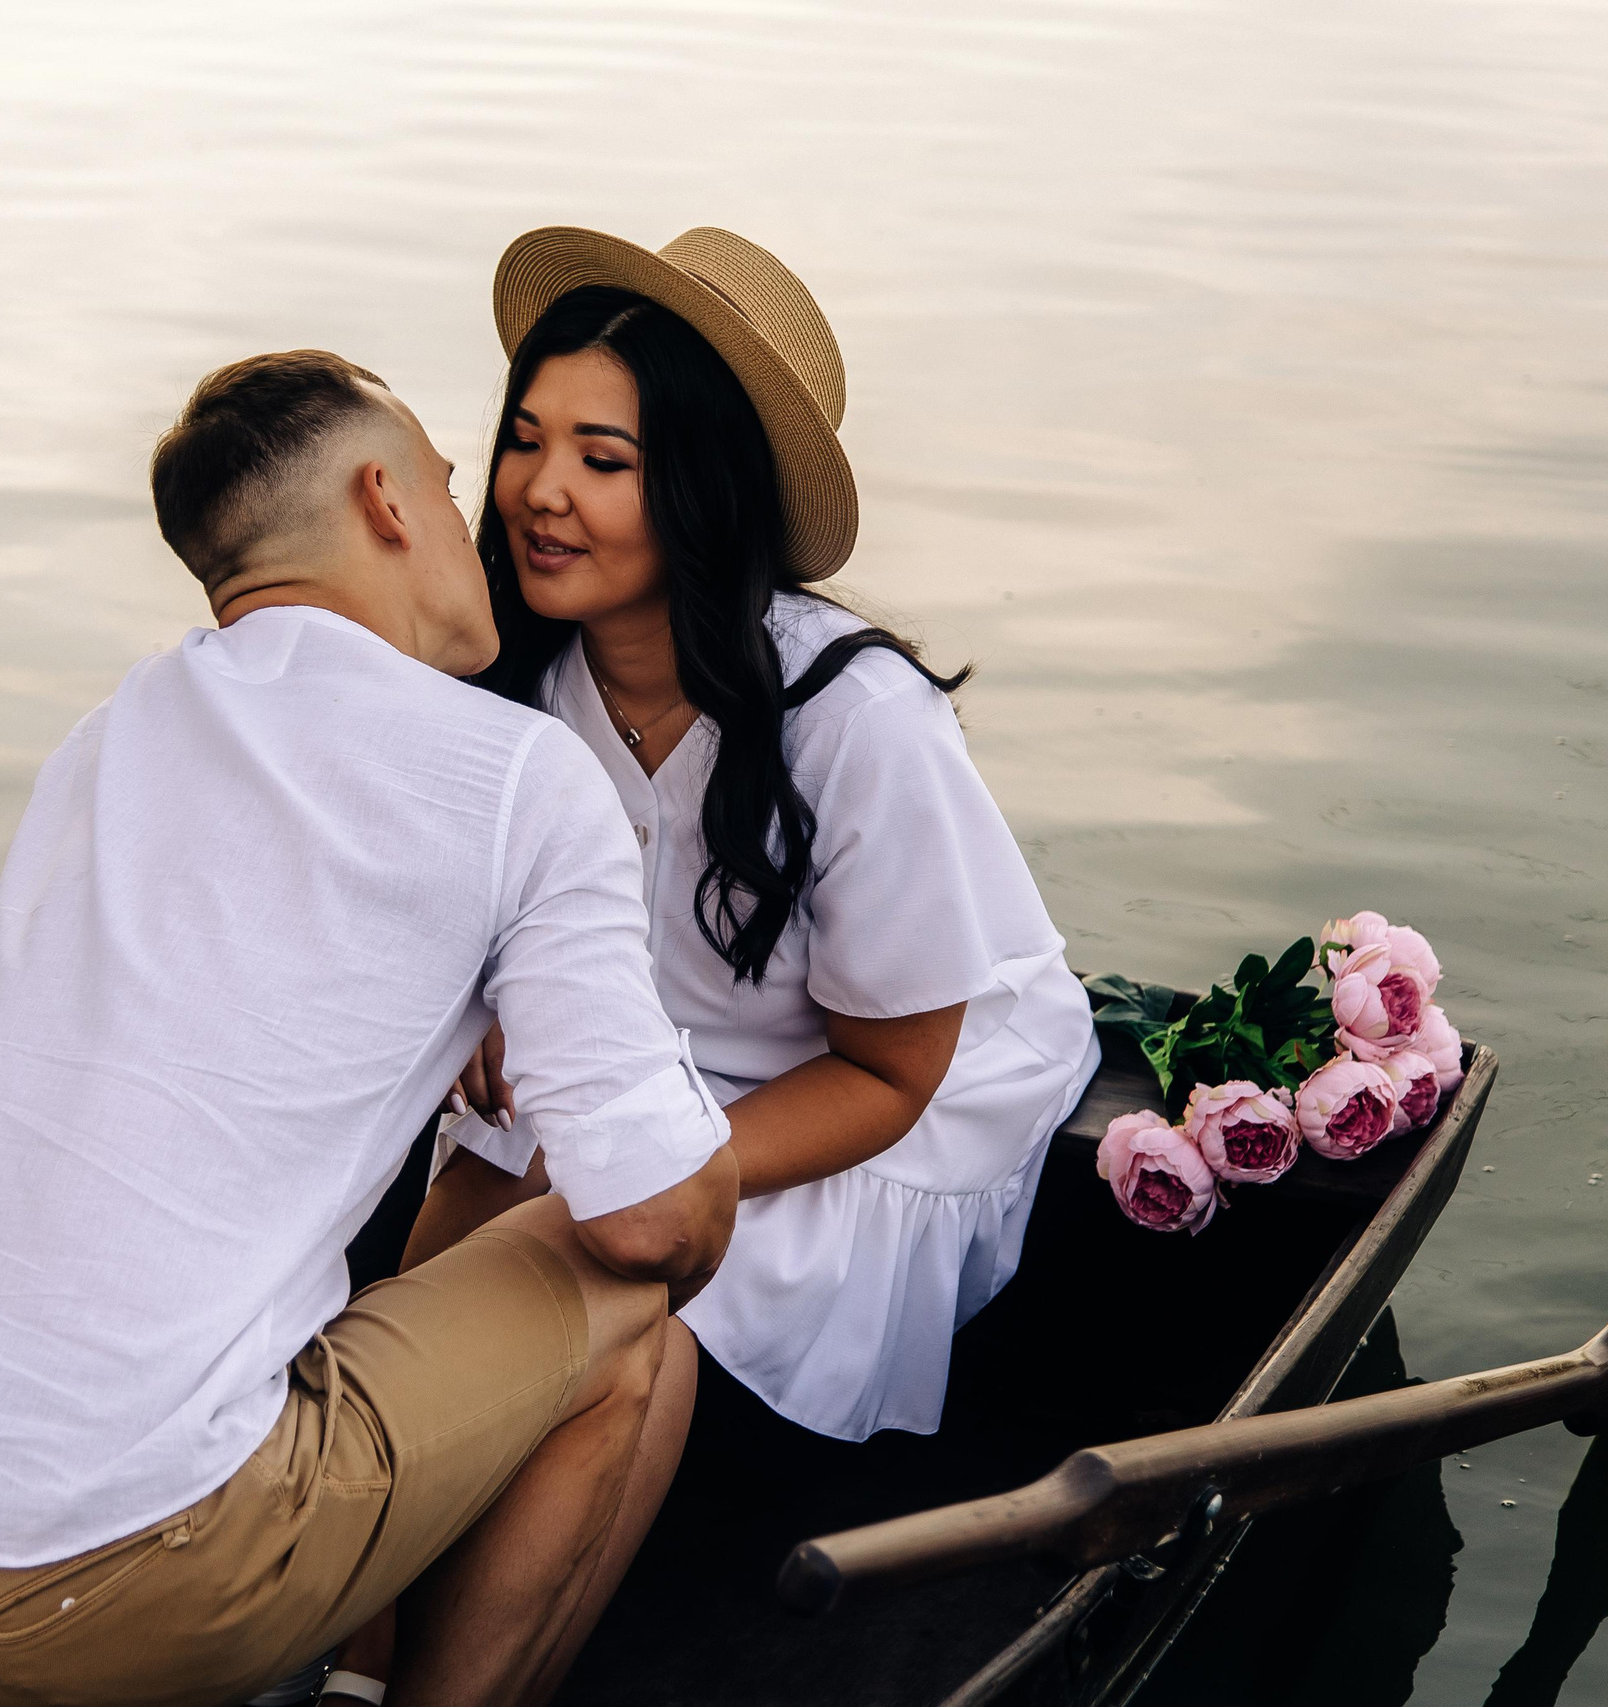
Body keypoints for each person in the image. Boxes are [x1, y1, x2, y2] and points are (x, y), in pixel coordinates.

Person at [0, 349, 740, 1707]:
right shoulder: (516, 775)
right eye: (451, 486)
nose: (478, 523)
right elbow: (653, 1220)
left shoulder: (108, 734)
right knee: (640, 1322)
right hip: (103, 1590)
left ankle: (331, 1655)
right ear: (386, 503)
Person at [406, 227, 1101, 1618]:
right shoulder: (513, 678)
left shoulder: (856, 722)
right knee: (426, 1279)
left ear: (707, 490)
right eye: (526, 441)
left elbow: (895, 1073)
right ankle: (351, 1647)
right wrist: (480, 998)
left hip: (858, 1092)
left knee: (627, 1298)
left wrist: (649, 1163)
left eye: (605, 461)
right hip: (632, 1051)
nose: (541, 493)